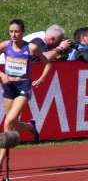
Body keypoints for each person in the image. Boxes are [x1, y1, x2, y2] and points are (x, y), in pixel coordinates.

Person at [0, 20, 52, 170]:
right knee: (14, 125)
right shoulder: (5, 46)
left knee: (8, 123)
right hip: (9, 86)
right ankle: (30, 126)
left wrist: (41, 79)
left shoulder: (31, 47)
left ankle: (0, 162)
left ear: (22, 32)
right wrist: (2, 74)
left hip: (24, 86)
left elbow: (47, 64)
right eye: (11, 31)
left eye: (16, 31)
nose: (13, 34)